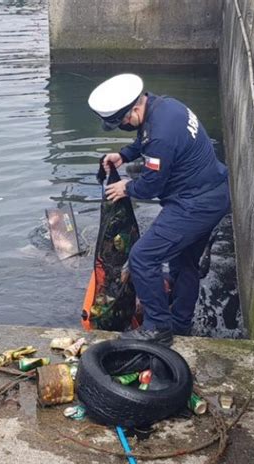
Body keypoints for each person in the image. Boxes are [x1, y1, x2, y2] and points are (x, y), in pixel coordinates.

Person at [88, 73, 230, 345]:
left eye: (125, 120)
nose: (125, 125)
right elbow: (145, 138)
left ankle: (157, 328)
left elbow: (152, 185)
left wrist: (126, 188)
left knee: (143, 258)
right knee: (183, 261)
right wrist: (124, 155)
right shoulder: (165, 106)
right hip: (213, 194)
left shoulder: (160, 136)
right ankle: (181, 323)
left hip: (194, 205)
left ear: (135, 107)